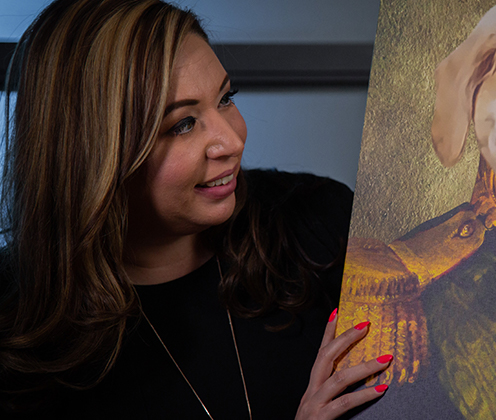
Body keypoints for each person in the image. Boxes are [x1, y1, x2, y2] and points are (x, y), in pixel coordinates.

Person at [0, 0, 388, 418]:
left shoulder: (317, 221)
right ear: (92, 156)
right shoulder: (16, 335)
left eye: (225, 98)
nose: (232, 141)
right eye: (183, 124)